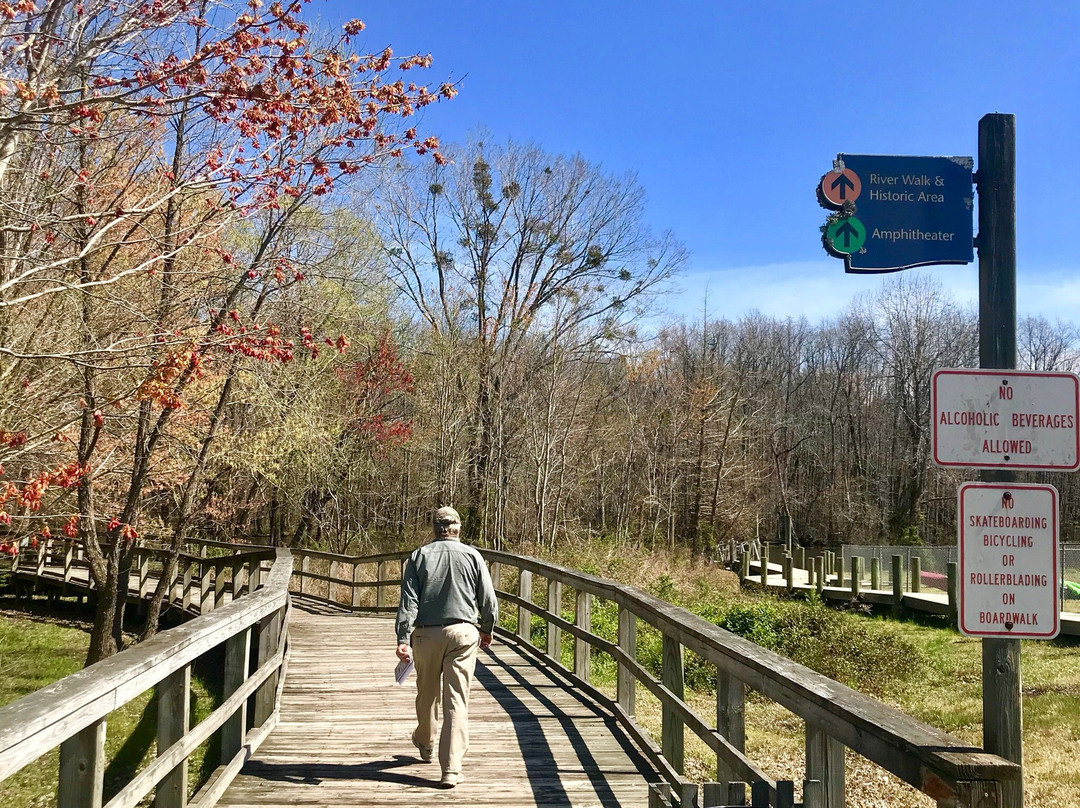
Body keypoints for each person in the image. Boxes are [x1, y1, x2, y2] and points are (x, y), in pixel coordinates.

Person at [395, 506, 498, 788]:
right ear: (458, 529)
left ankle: (426, 744)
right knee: (456, 701)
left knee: (427, 694)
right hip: (463, 633)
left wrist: (403, 639)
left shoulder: (419, 556)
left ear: (434, 528)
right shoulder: (473, 556)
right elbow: (488, 600)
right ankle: (451, 769)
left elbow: (409, 603)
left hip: (426, 635)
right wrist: (487, 629)